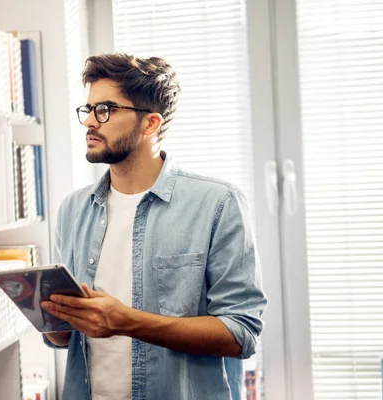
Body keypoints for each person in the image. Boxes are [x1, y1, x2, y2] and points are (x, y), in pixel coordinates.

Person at [40, 53, 267, 400]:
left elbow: (241, 333)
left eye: (106, 109)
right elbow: (65, 338)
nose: (90, 122)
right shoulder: (73, 209)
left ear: (150, 124)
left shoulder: (218, 204)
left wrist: (126, 320)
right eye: (88, 110)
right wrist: (52, 318)